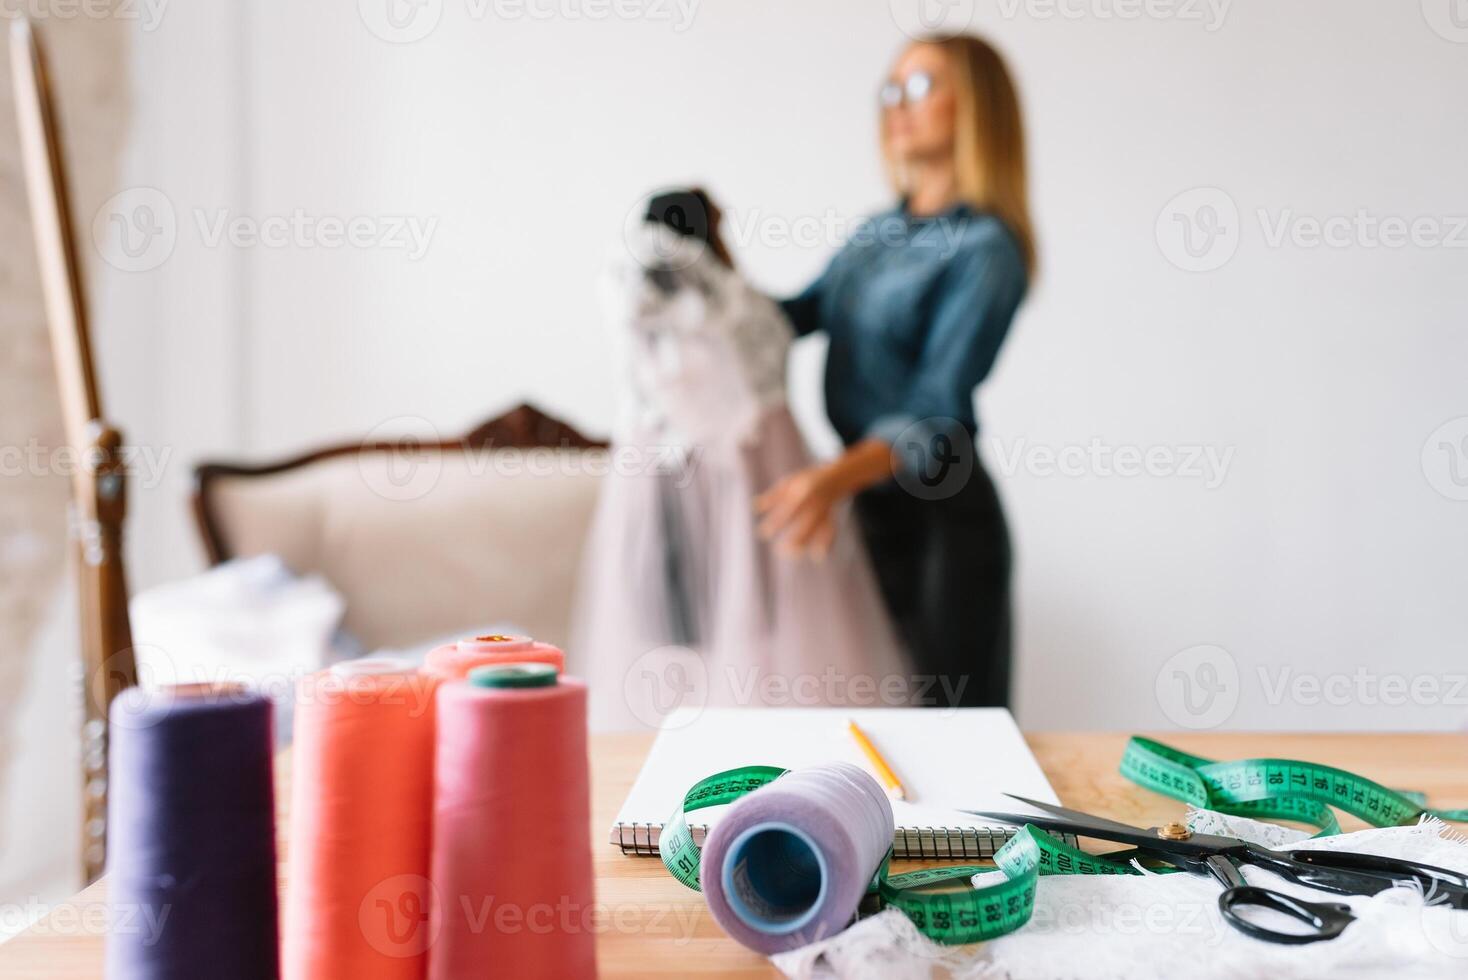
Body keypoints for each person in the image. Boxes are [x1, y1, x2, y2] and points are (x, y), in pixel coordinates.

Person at [756, 35, 1035, 708]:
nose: (896, 106)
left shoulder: (988, 250)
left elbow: (933, 416)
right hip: (867, 504)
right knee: (872, 720)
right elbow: (790, 318)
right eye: (890, 88)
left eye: (920, 86)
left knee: (953, 732)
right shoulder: (876, 234)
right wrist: (706, 279)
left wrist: (831, 479)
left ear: (975, 106)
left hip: (944, 523)